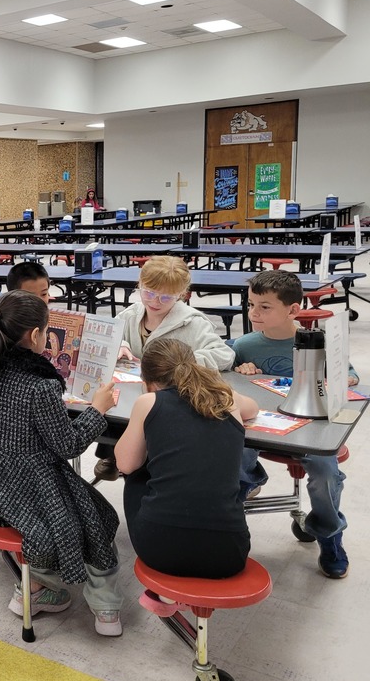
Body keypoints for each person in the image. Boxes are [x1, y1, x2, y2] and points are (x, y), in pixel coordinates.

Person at [0, 290, 123, 636]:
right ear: (36, 336)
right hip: (34, 480)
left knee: (72, 521)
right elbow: (68, 445)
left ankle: (33, 587)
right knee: (99, 518)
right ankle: (104, 607)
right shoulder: (40, 385)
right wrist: (98, 410)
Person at [232, 270, 356, 579]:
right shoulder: (244, 344)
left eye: (265, 306)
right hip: (261, 425)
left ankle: (329, 536)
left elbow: (351, 377)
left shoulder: (322, 342)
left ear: (293, 310)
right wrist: (238, 368)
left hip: (310, 427)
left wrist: (334, 380)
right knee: (231, 455)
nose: (254, 313)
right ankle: (233, 527)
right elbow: (222, 372)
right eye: (251, 304)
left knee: (326, 475)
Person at [115, 338, 257, 606]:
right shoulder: (225, 397)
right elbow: (253, 409)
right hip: (229, 554)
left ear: (147, 381)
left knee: (137, 472)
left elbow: (125, 464)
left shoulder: (148, 402)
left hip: (159, 550)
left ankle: (165, 589)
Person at [94, 255, 235, 481]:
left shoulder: (193, 322)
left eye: (165, 297)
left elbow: (225, 355)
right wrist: (119, 345)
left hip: (170, 398)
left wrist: (183, 363)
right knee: (110, 408)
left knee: (150, 425)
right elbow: (109, 334)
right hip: (133, 392)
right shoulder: (131, 315)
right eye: (148, 293)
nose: (155, 301)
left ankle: (143, 465)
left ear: (181, 295)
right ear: (139, 284)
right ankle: (111, 453)